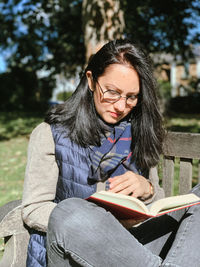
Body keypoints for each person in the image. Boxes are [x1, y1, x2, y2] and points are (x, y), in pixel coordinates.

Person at [21, 39, 200, 267]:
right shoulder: (51, 134)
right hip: (78, 251)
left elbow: (157, 209)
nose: (120, 106)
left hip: (138, 251)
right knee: (70, 210)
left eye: (131, 97)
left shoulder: (141, 133)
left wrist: (148, 189)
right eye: (112, 92)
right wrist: (102, 223)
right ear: (91, 81)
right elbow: (33, 209)